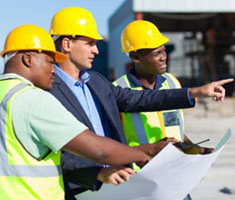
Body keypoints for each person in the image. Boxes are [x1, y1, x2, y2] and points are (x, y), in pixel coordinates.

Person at [48, 7, 233, 200]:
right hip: (86, 189)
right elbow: (54, 152)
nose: (96, 50)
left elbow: (141, 99)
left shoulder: (96, 82)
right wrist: (96, 173)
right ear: (67, 44)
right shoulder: (47, 90)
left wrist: (196, 92)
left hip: (124, 182)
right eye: (91, 43)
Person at [0, 24, 168, 200]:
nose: (52, 69)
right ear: (28, 59)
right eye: (50, 62)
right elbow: (98, 151)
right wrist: (145, 152)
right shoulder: (33, 99)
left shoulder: (5, 93)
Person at [114, 19, 213, 200]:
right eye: (157, 53)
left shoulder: (172, 82)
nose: (164, 56)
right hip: (143, 183)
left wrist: (195, 149)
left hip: (176, 177)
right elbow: (112, 142)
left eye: (164, 50)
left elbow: (176, 129)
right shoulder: (119, 90)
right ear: (136, 57)